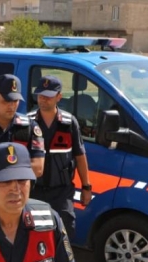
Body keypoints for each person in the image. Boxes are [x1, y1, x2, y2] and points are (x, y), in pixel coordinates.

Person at [27, 75, 92, 236]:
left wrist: (86, 187)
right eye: (41, 95)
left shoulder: (69, 122)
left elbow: (80, 155)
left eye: (48, 96)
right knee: (35, 235)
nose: (43, 99)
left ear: (59, 97)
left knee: (65, 232)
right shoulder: (27, 122)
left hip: (61, 192)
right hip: (34, 191)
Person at [0, 74, 45, 176]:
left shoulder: (30, 127)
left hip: (17, 190)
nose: (11, 106)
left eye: (15, 101)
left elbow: (38, 168)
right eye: (6, 101)